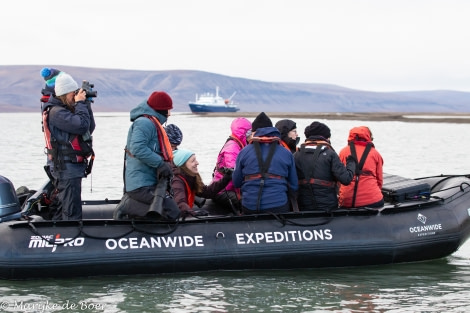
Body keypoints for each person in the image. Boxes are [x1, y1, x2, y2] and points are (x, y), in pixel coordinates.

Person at [41, 72, 96, 220]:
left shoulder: (66, 110)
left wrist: (86, 105)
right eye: (74, 93)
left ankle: (59, 234)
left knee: (67, 206)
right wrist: (80, 104)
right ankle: (69, 237)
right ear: (65, 93)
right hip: (66, 168)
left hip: (71, 167)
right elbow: (81, 127)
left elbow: (89, 127)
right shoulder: (56, 113)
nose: (76, 95)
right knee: (71, 210)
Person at [114, 91, 174, 219]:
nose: (170, 113)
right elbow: (138, 148)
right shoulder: (144, 123)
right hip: (140, 184)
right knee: (170, 211)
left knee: (171, 209)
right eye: (168, 109)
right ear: (162, 110)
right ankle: (127, 205)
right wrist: (160, 164)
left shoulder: (152, 123)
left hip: (149, 182)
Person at [233, 112, 298, 214]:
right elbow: (294, 184)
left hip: (250, 206)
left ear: (254, 132)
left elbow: (236, 182)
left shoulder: (243, 152)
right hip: (279, 205)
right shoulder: (286, 153)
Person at [294, 121, 356, 212]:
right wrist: (351, 163)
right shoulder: (330, 154)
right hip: (327, 207)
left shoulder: (296, 155)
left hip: (303, 206)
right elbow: (346, 179)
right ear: (326, 138)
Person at [171, 149, 233, 215]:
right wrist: (194, 214)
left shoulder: (191, 177)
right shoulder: (177, 181)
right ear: (183, 165)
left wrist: (226, 178)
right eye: (193, 161)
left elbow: (207, 192)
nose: (197, 163)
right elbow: (179, 203)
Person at [211, 117, 252, 214]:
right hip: (223, 190)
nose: (251, 135)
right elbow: (234, 173)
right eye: (249, 132)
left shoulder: (239, 144)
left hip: (230, 188)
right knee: (248, 202)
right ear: (244, 133)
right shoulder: (233, 147)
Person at [338, 126, 384, 208]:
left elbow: (338, 178)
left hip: (346, 202)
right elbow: (379, 180)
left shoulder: (343, 152)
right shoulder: (375, 154)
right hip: (373, 201)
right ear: (368, 137)